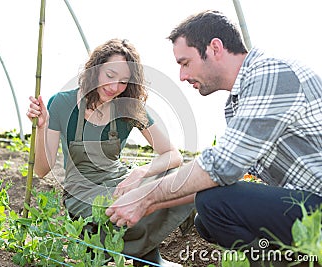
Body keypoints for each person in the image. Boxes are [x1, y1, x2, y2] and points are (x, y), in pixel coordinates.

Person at [105, 10, 322, 254]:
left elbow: (221, 166)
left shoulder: (270, 73)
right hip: (307, 204)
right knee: (206, 218)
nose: (182, 76)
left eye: (185, 63)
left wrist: (147, 195)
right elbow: (226, 176)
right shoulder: (238, 103)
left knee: (214, 205)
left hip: (317, 204)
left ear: (215, 48)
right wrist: (150, 205)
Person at [27, 38, 194, 267]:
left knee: (183, 180)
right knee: (125, 207)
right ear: (95, 70)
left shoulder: (128, 107)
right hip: (82, 190)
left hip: (119, 180)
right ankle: (120, 253)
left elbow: (172, 155)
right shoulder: (63, 103)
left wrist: (141, 173)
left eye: (124, 81)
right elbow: (42, 170)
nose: (115, 87)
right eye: (110, 75)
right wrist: (42, 127)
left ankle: (146, 256)